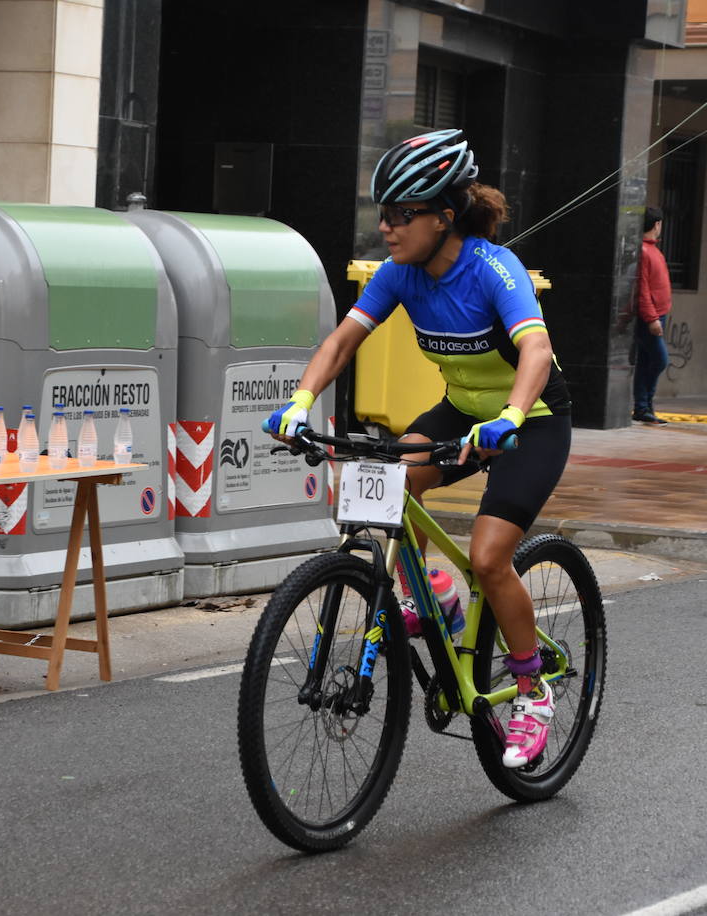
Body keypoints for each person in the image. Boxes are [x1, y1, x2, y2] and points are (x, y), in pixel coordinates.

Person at [265, 129, 571, 769]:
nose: (388, 228)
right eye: (384, 214)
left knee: (490, 557)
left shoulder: (492, 268)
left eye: (403, 215)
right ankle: (430, 591)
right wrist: (300, 401)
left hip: (531, 419)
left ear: (444, 215)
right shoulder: (400, 275)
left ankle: (530, 687)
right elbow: (343, 342)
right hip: (462, 413)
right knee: (384, 481)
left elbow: (536, 350)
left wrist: (511, 416)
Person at [632, 206, 672, 425]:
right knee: (659, 360)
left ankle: (644, 406)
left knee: (646, 361)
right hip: (651, 317)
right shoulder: (645, 252)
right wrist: (651, 318)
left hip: (658, 314)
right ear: (657, 224)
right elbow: (643, 288)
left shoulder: (652, 250)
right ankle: (643, 403)